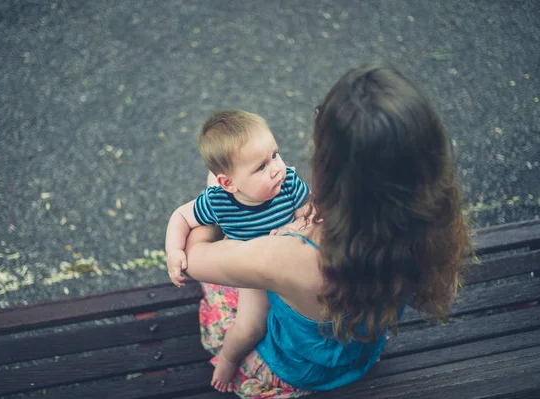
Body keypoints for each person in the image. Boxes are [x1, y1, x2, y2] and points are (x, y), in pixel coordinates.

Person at [179, 64, 472, 397]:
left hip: (296, 368)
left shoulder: (287, 255)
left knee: (232, 294)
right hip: (358, 354)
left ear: (329, 166)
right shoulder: (427, 223)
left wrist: (214, 199)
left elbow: (190, 259)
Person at [165, 109, 310, 391]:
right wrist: (174, 252)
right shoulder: (219, 202)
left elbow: (310, 212)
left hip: (290, 262)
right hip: (251, 270)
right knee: (250, 326)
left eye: (275, 155)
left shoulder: (288, 182)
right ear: (228, 183)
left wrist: (297, 228)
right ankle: (229, 359)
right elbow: (181, 217)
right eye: (260, 167)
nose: (277, 167)